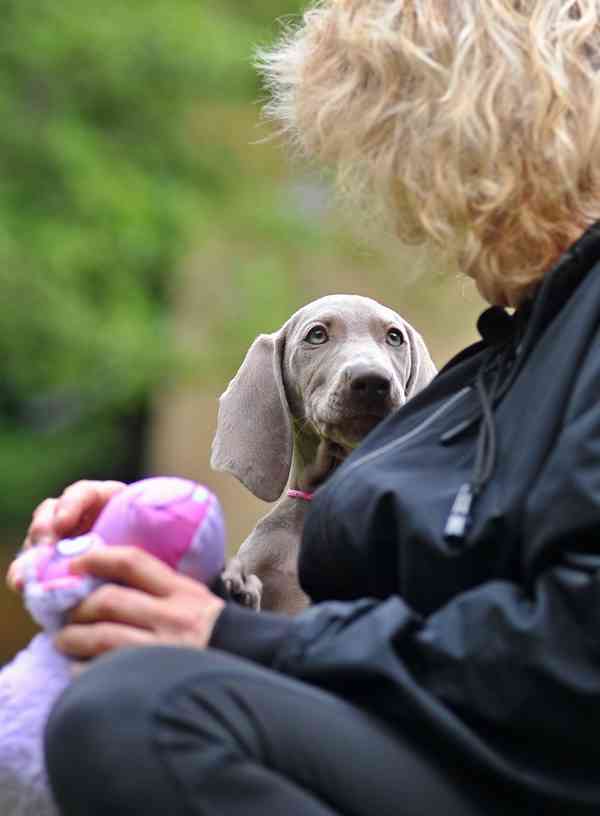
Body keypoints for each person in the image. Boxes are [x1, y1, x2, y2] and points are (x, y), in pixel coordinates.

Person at [8, 2, 600, 813]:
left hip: (526, 767)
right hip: (438, 730)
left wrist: (235, 640)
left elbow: (570, 659)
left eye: (399, 153)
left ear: (488, 129)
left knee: (142, 714)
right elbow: (377, 625)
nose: (406, 207)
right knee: (120, 693)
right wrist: (160, 570)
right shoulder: (506, 355)